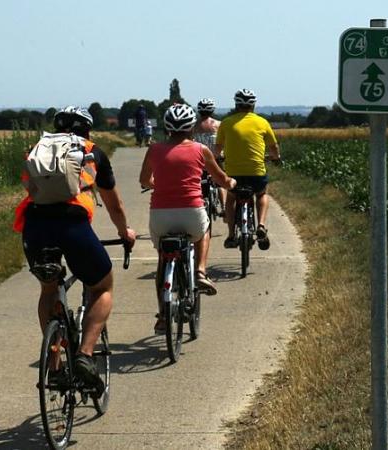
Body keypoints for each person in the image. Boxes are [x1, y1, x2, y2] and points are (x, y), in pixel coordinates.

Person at [14, 106, 136, 393]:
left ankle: (55, 365)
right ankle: (84, 355)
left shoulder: (38, 149)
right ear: (88, 129)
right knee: (102, 286)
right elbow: (114, 204)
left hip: (35, 227)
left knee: (49, 289)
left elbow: (30, 189)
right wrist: (124, 232)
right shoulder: (92, 152)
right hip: (73, 226)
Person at [139, 104, 236, 333]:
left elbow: (144, 180)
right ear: (191, 127)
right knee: (204, 231)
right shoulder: (201, 149)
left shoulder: (153, 150)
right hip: (191, 211)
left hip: (161, 215)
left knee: (164, 260)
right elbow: (220, 179)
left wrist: (158, 185)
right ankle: (200, 271)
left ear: (167, 127)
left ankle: (163, 315)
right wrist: (231, 183)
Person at [216, 89, 281, 250]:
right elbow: (273, 147)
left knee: (231, 198)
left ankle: (231, 234)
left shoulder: (226, 122)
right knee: (262, 193)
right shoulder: (262, 122)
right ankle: (261, 225)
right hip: (256, 172)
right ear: (253, 105)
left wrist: (218, 158)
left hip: (234, 173)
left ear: (236, 105)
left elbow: (217, 149)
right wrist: (276, 158)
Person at [193, 98, 226, 217]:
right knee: (220, 183)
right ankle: (223, 208)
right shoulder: (219, 124)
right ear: (212, 110)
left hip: (198, 160)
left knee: (199, 183)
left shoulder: (194, 125)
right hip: (216, 159)